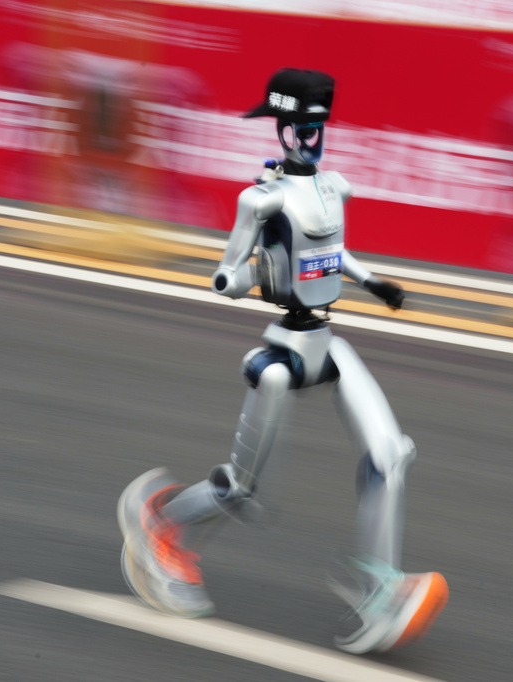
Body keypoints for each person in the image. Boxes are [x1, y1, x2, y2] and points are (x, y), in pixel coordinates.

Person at [118, 68, 447, 654]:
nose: (311, 139)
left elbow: (333, 250)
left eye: (319, 127)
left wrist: (375, 283)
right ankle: (161, 525)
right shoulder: (260, 198)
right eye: (301, 127)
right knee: (245, 493)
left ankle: (382, 588)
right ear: (282, 128)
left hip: (328, 342)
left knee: (390, 454)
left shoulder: (333, 188)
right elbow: (226, 277)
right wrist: (257, 274)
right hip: (284, 352)